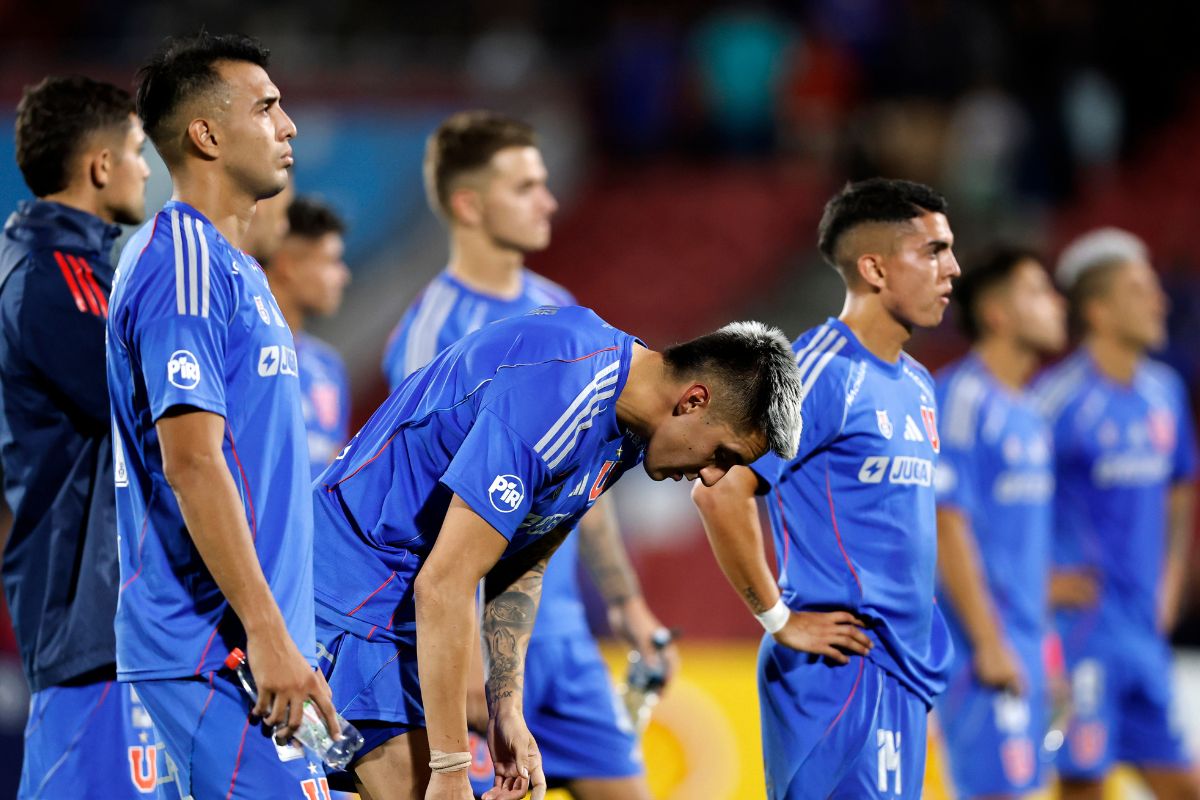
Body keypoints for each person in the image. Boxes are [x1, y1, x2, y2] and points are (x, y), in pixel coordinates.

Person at [315, 305, 803, 800]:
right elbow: (445, 584)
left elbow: (525, 556)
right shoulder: (562, 391)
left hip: (397, 605)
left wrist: (506, 706)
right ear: (694, 401)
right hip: (349, 592)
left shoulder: (627, 427)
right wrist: (450, 767)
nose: (713, 476)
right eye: (723, 454)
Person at [384, 110, 674, 800]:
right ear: (469, 203)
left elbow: (588, 478)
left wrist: (627, 603)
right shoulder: (432, 334)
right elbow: (424, 515)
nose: (549, 200)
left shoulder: (559, 308)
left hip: (561, 632)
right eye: (526, 187)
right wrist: (460, 671)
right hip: (472, 641)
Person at [106, 32, 340, 799]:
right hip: (217, 649)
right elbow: (193, 461)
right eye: (267, 107)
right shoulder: (186, 266)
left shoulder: (230, 267)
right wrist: (268, 634)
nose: (289, 125)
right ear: (205, 134)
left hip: (244, 647)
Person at [692, 177, 960, 799]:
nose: (953, 269)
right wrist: (778, 618)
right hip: (841, 670)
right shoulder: (821, 371)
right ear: (874, 267)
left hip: (898, 670)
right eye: (933, 251)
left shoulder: (919, 383)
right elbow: (718, 489)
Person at [0, 75, 155, 799]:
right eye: (135, 150)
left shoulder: (79, 267)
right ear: (100, 166)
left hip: (107, 622)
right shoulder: (53, 276)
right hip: (87, 624)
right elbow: (141, 411)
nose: (146, 167)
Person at [1035, 228, 1199, 800]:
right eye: (1139, 289)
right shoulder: (1057, 402)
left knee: (1182, 784)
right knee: (1084, 788)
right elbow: (999, 501)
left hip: (1144, 633)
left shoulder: (1165, 393)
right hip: (1082, 635)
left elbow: (1182, 489)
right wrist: (1040, 581)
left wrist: (1171, 585)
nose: (1160, 300)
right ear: (1099, 311)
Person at [932, 247, 1066, 799]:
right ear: (997, 314)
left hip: (1028, 646)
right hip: (979, 653)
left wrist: (1047, 652)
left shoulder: (1032, 410)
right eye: (1039, 291)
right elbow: (944, 522)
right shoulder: (960, 397)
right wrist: (989, 643)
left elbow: (1025, 547)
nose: (1058, 305)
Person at [263, 196, 352, 477]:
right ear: (287, 265)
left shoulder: (328, 367)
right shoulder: (240, 354)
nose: (343, 276)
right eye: (332, 261)